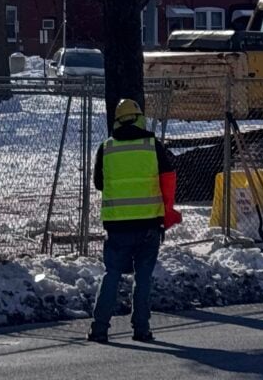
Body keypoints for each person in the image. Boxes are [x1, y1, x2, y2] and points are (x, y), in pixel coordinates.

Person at [88, 97, 180, 344]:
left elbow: (99, 183)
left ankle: (99, 329)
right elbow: (168, 179)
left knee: (112, 274)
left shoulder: (106, 148)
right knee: (143, 278)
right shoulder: (152, 145)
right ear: (139, 118)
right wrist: (166, 213)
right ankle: (141, 329)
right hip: (149, 223)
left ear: (116, 120)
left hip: (117, 225)